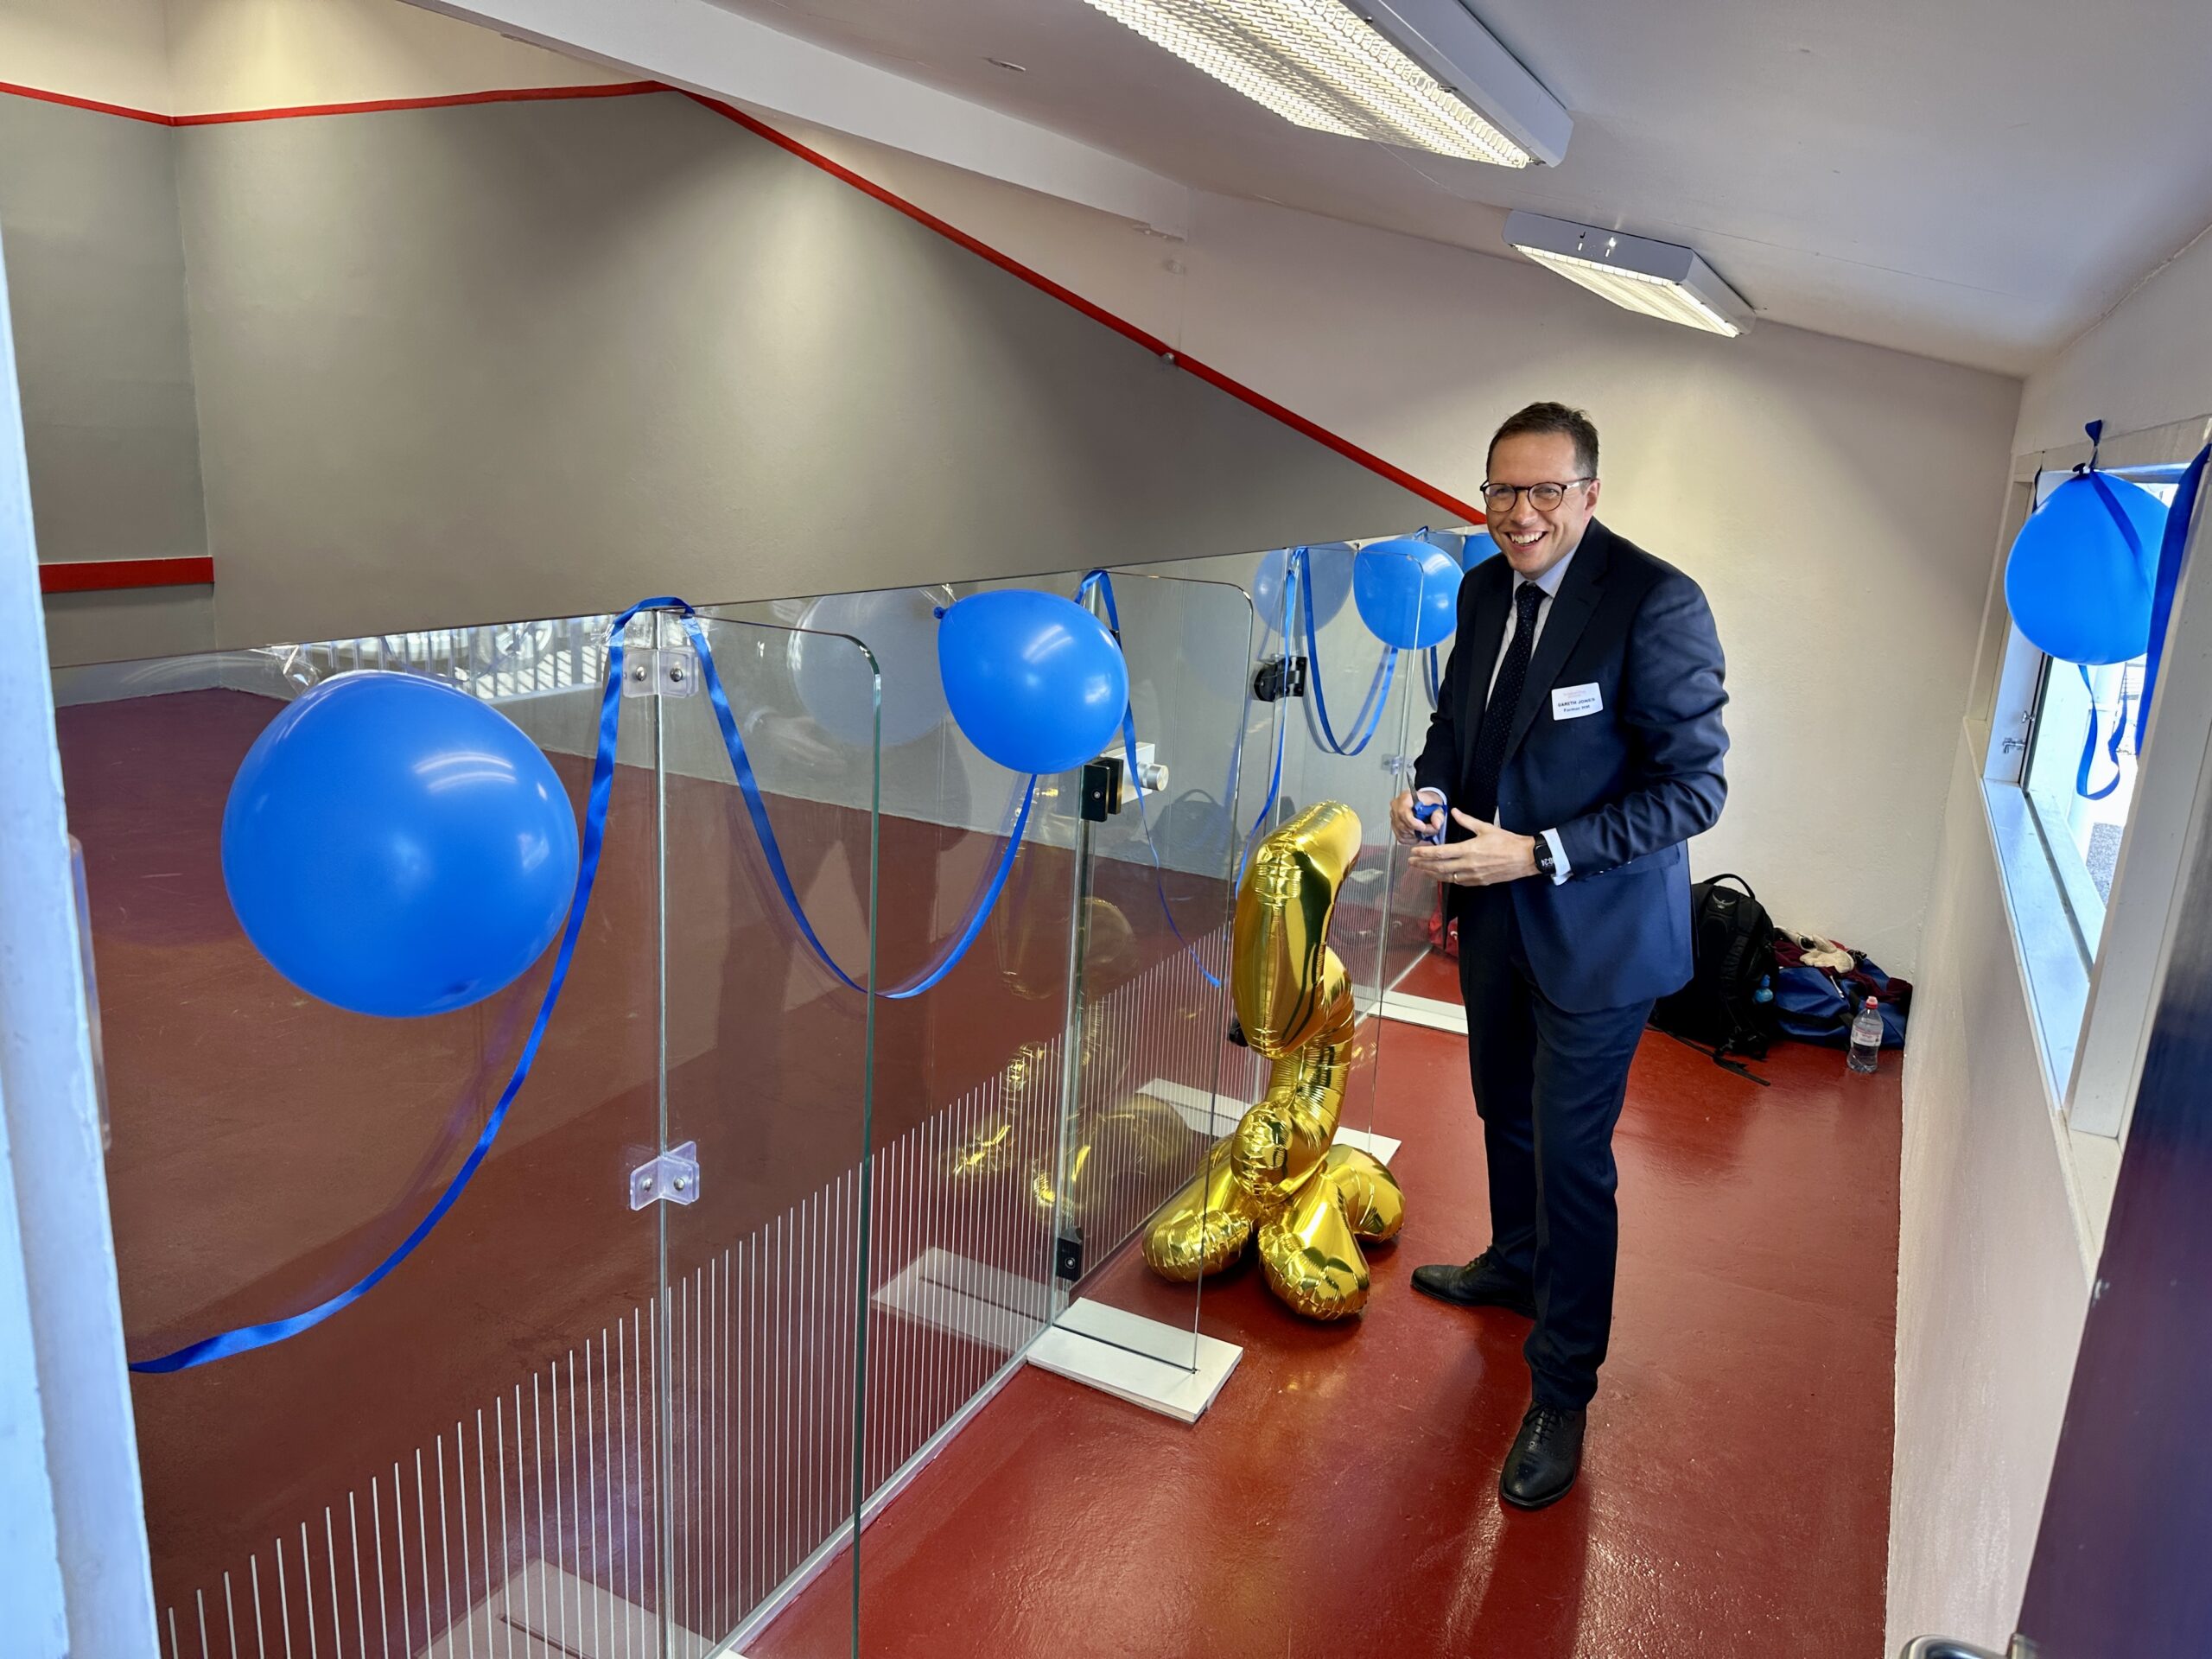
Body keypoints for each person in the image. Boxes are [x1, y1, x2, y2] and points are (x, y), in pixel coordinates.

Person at [1393, 402, 1728, 1510]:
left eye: (1545, 490)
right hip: (1492, 911)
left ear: (1589, 493)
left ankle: (1562, 1389)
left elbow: (1694, 790)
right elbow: (1459, 726)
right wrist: (1427, 792)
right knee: (1503, 1110)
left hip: (1597, 932)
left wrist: (1538, 853)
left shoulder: (1656, 601)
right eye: (1502, 489)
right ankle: (1514, 1261)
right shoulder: (1482, 588)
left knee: (1574, 1159)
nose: (1520, 513)